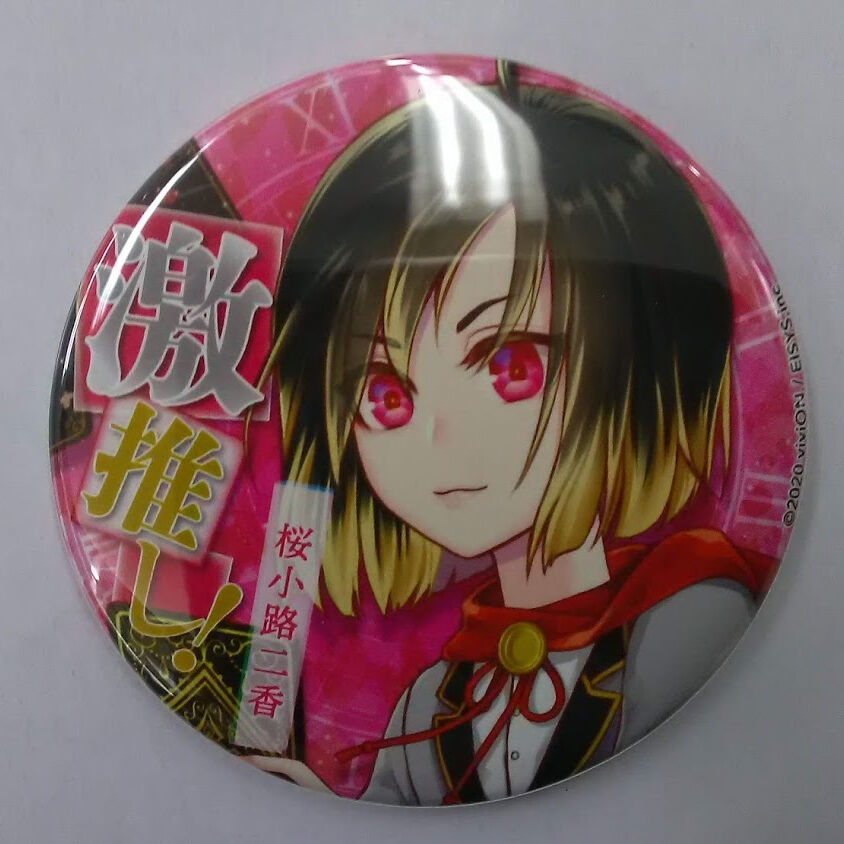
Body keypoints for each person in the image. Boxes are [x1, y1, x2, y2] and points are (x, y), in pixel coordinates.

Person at [251, 60, 774, 805]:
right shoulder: (432, 699)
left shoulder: (690, 619)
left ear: (639, 362)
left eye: (509, 365)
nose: (439, 442)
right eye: (385, 394)